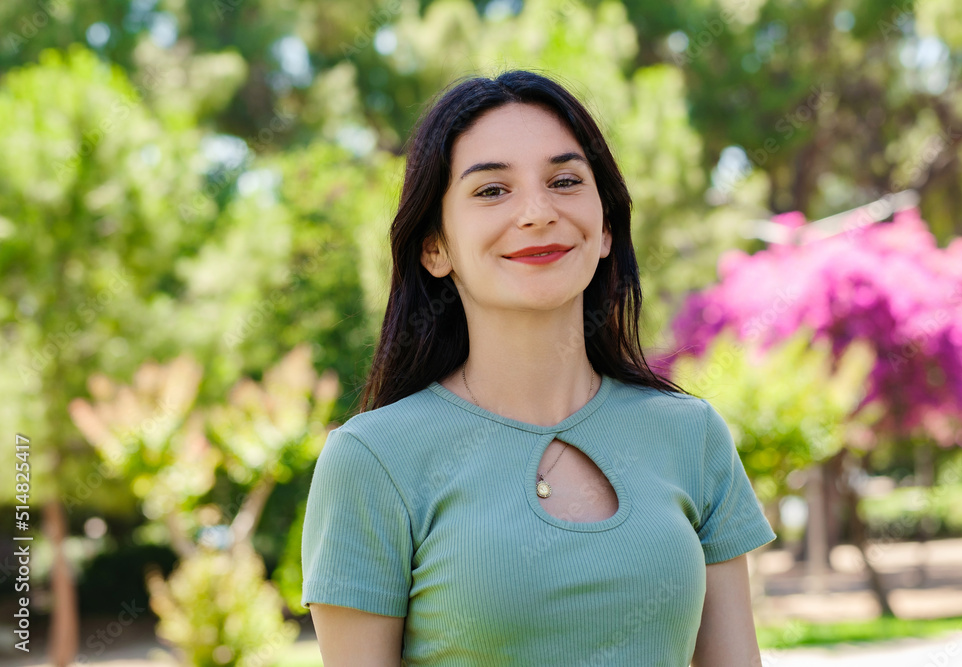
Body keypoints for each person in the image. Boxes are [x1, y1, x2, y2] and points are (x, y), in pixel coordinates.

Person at [300, 69, 776, 666]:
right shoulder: (372, 462)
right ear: (435, 247)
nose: (537, 211)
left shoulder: (692, 435)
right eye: (492, 190)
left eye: (565, 180)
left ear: (605, 227)